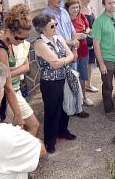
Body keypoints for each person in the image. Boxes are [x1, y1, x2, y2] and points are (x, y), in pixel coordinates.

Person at [0, 4, 39, 136]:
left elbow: (25, 66)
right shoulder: (0, 50)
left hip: (13, 93)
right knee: (33, 125)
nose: (22, 42)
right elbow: (7, 86)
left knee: (15, 133)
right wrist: (17, 114)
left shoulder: (8, 43)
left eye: (25, 38)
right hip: (7, 95)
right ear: (8, 31)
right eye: (19, 38)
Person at [33, 13, 78, 154]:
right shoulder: (40, 43)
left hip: (64, 78)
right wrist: (65, 59)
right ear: (42, 30)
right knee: (52, 111)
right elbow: (55, 64)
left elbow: (70, 55)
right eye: (52, 26)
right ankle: (50, 141)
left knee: (65, 107)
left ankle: (63, 131)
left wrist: (63, 60)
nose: (55, 27)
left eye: (55, 24)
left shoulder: (58, 37)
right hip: (50, 83)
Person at [65, 0, 94, 106]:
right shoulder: (66, 20)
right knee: (73, 75)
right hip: (72, 52)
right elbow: (65, 36)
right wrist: (77, 36)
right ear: (67, 9)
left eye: (77, 7)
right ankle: (73, 99)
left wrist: (85, 33)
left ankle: (84, 97)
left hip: (84, 50)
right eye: (73, 8)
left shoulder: (81, 16)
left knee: (83, 75)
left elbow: (88, 28)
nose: (76, 10)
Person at [43, 0, 79, 68]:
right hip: (58, 57)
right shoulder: (45, 16)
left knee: (74, 79)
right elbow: (52, 38)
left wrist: (74, 49)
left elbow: (72, 31)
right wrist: (72, 43)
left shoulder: (64, 12)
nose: (60, 0)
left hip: (71, 54)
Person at [79, 0, 99, 93]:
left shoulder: (91, 9)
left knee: (90, 63)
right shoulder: (77, 9)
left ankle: (88, 84)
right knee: (82, 63)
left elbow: (95, 23)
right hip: (82, 40)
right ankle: (81, 86)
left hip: (91, 39)